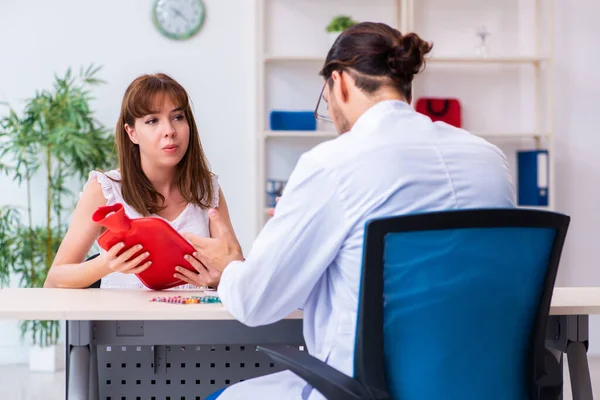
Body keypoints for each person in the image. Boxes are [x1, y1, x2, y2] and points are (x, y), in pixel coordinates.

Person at [185, 21, 517, 400]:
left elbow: (255, 303)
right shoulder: (489, 158)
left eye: (325, 99)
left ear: (339, 82)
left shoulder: (332, 164)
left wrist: (229, 266)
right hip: (481, 384)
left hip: (367, 389)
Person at [44, 73, 238, 289]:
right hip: (123, 322)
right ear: (132, 133)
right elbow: (53, 281)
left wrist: (220, 279)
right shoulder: (105, 190)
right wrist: (106, 264)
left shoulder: (207, 190)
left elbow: (239, 274)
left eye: (178, 117)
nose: (170, 131)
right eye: (152, 121)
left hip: (193, 322)